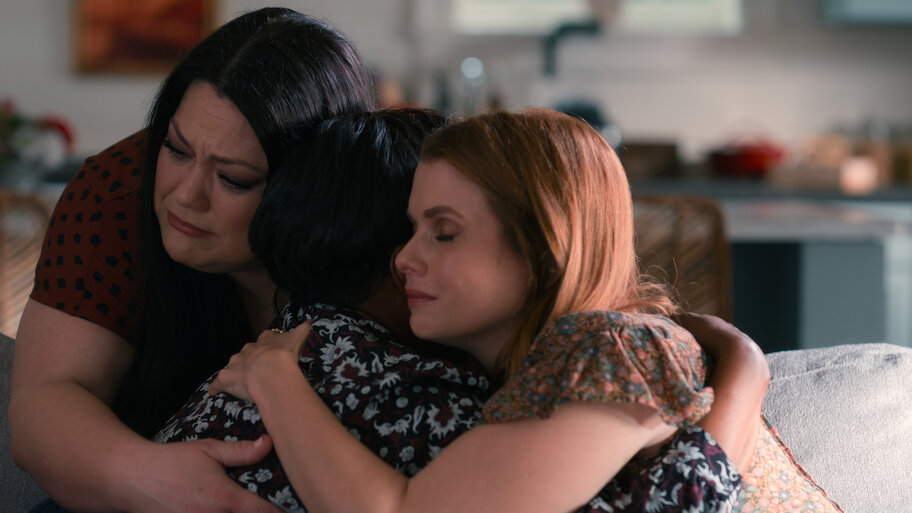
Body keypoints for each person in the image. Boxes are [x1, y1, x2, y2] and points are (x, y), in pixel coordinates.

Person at [207, 109, 843, 513]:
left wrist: (276, 378)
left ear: (543, 249)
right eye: (412, 228)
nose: (403, 259)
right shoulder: (541, 371)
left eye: (444, 232)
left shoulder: (612, 347)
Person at [9, 8, 375, 512]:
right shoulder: (115, 195)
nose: (185, 196)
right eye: (177, 150)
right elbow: (43, 404)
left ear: (308, 188)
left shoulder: (387, 237)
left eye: (232, 179)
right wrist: (153, 478)